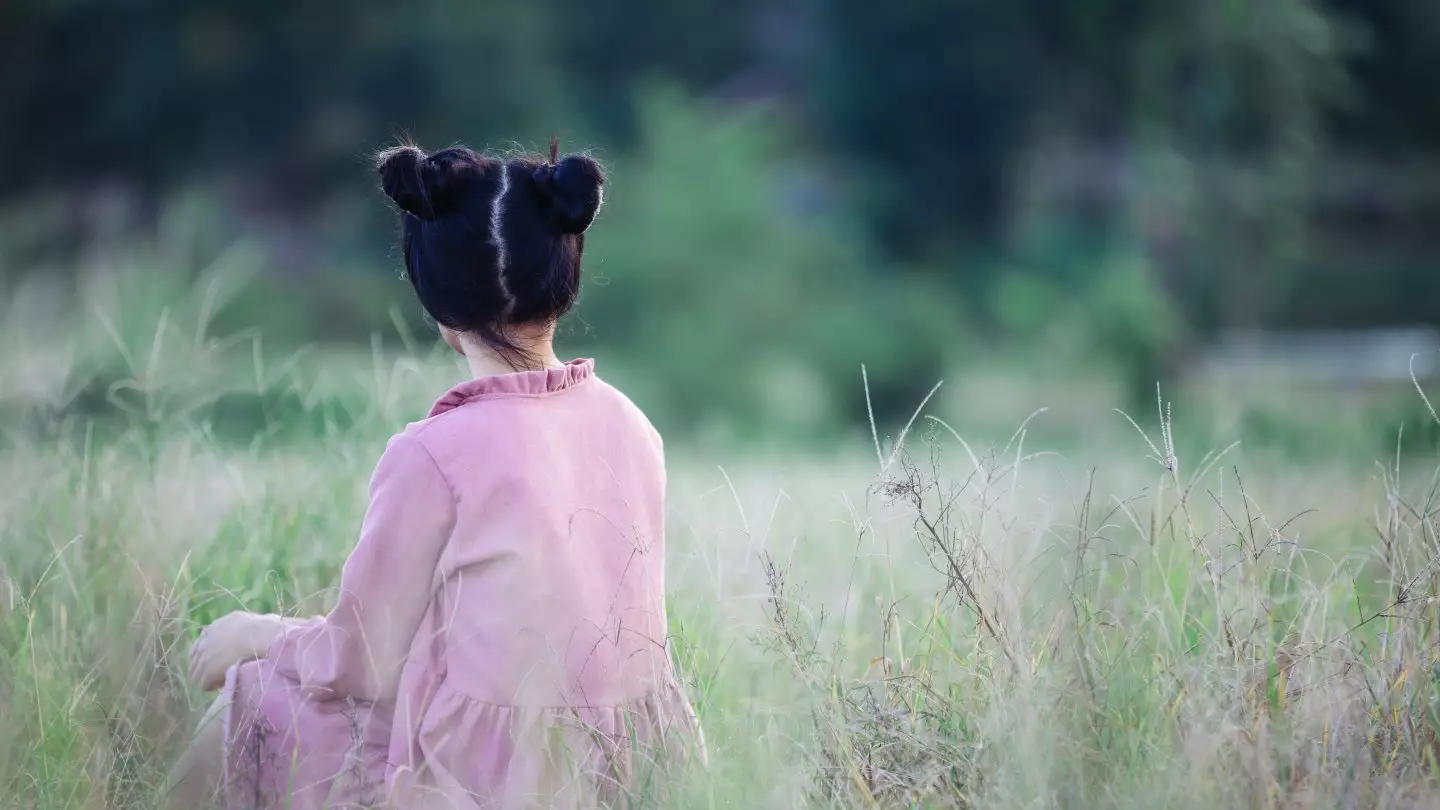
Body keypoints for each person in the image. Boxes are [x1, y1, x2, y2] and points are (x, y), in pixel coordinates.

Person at [168, 140, 702, 809]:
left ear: (439, 305)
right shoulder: (632, 425)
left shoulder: (434, 453)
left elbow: (361, 660)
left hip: (487, 780)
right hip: (624, 774)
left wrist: (261, 633)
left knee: (250, 698)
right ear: (564, 275)